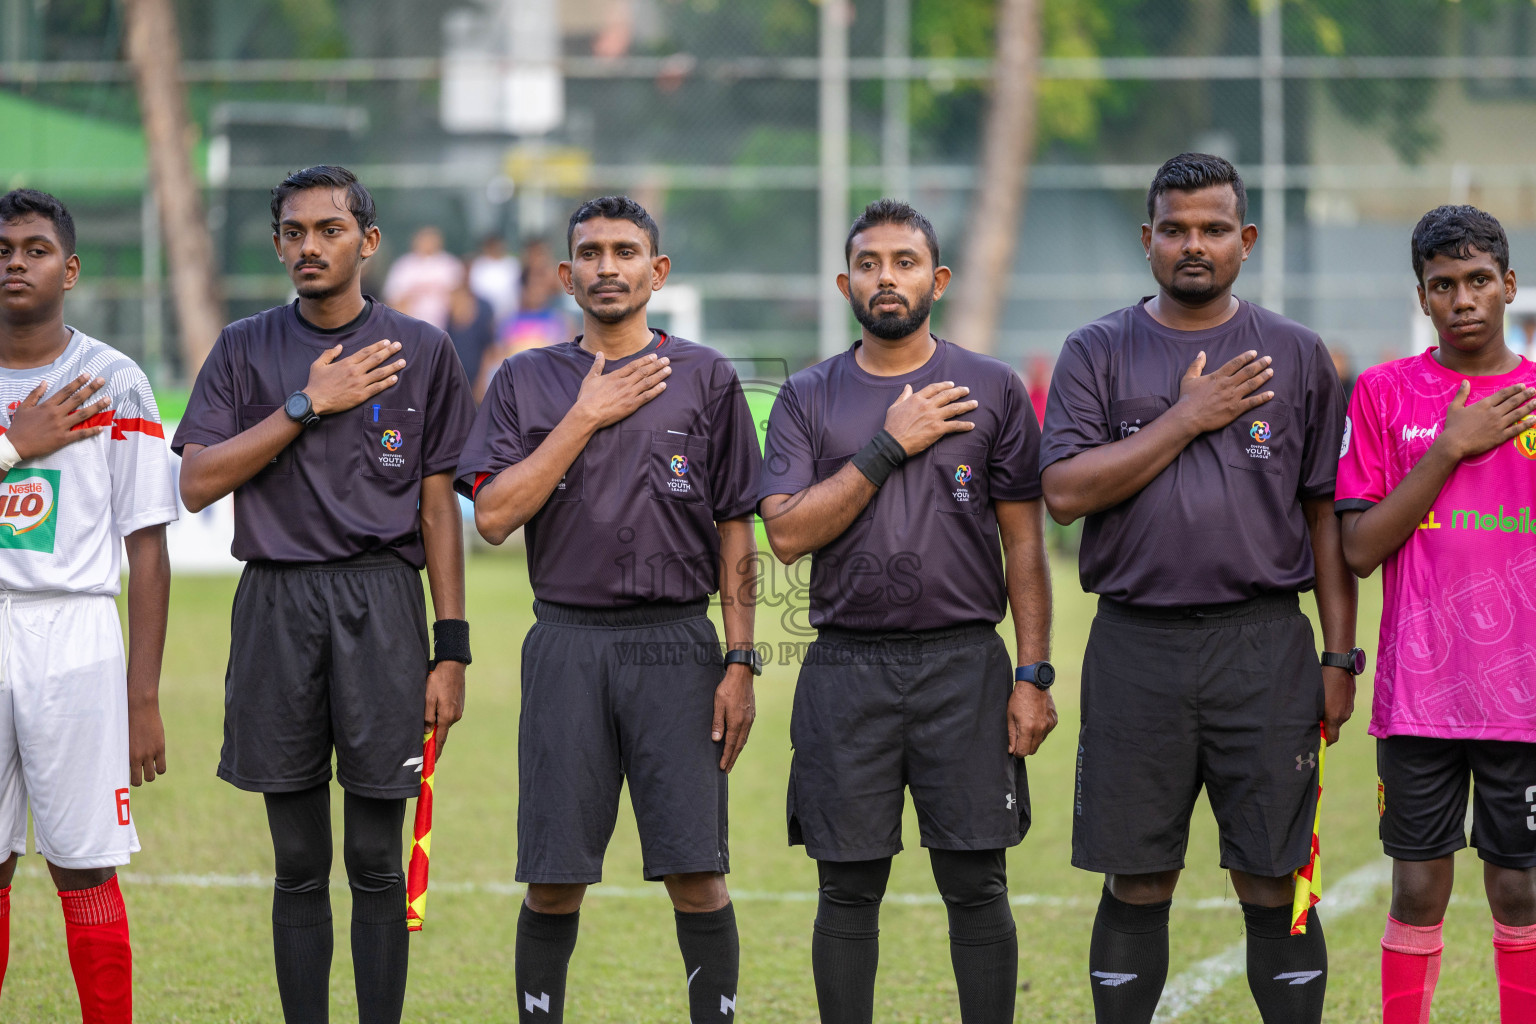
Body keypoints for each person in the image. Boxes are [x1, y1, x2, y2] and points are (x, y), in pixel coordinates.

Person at [1039, 153, 1358, 1024]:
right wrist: (1186, 416)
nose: (1193, 244)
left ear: (1245, 241)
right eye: (1174, 228)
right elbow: (1064, 494)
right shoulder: (1096, 351)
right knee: (1138, 875)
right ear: (1147, 240)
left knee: (1271, 869)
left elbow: (1324, 515)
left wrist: (1339, 655)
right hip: (1136, 644)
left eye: (1213, 229)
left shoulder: (1295, 356)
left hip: (1265, 645)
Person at [173, 166, 476, 1024]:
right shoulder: (244, 346)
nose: (310, 246)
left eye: (329, 230)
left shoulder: (423, 350)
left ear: (367, 242)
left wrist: (449, 649)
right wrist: (309, 402)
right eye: (294, 233)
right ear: (277, 244)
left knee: (378, 859)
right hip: (276, 604)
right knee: (298, 860)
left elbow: (437, 507)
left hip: (382, 606)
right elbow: (197, 482)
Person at [457, 195, 760, 1024]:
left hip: (679, 646)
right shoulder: (526, 379)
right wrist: (584, 417)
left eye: (627, 251)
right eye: (589, 252)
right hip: (566, 643)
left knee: (697, 873)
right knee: (554, 878)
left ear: (657, 272)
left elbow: (737, 526)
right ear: (566, 274)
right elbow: (492, 518)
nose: (607, 265)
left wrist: (741, 660)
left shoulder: (707, 376)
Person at [759, 199, 1054, 1024]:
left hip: (966, 665)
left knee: (976, 882)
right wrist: (889, 444)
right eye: (869, 264)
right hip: (845, 669)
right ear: (845, 280)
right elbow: (785, 536)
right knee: (847, 887)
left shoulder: (992, 388)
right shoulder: (808, 396)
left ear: (939, 278)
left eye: (905, 262)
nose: (886, 278)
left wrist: (1033, 675)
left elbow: (1024, 550)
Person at [1334, 205, 1536, 1024]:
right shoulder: (1386, 393)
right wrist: (1451, 446)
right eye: (1443, 285)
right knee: (1417, 884)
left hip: (1521, 695)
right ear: (1421, 297)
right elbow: (1357, 549)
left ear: (1509, 286)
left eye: (1478, 280)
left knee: (1520, 882)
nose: (1463, 299)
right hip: (1420, 695)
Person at [0, 188, 177, 1023]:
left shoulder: (115, 380)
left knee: (84, 863)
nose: (14, 262)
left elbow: (148, 545)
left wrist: (142, 698)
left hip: (74, 635)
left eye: (34, 249)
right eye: (2, 249)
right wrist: (14, 444)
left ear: (68, 270)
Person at [382, 225, 463, 331]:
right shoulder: (403, 265)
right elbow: (392, 301)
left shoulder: (449, 264)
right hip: (411, 327)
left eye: (431, 239)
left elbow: (461, 302)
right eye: (424, 239)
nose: (428, 243)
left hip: (447, 326)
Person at [446, 258, 497, 391]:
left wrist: (482, 378)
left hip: (476, 375)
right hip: (454, 377)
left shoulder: (484, 307)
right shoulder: (450, 305)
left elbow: (489, 347)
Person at [468, 234, 521, 325]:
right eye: (492, 246)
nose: (496, 248)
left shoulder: (512, 264)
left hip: (509, 313)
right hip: (484, 315)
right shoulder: (479, 265)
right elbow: (475, 290)